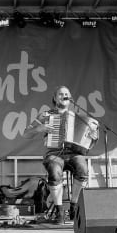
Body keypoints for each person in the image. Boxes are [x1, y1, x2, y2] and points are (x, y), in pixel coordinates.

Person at [24, 86, 99, 224]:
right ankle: (59, 212)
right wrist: (39, 128)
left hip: (74, 153)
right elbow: (26, 133)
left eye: (66, 94)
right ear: (54, 98)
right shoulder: (46, 115)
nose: (63, 96)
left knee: (82, 168)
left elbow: (89, 142)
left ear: (70, 99)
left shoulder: (81, 118)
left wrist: (93, 137)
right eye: (60, 94)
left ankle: (74, 207)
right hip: (54, 153)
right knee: (54, 170)